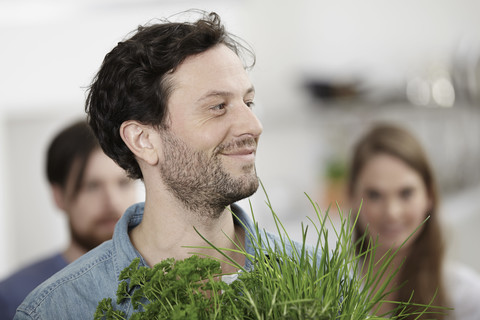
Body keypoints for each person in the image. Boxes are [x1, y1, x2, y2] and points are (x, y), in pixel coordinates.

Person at [13, 11, 306, 319]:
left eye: (248, 103)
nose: (253, 125)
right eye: (217, 107)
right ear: (143, 140)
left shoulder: (317, 277)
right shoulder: (56, 310)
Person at [0, 120, 138, 319]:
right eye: (92, 186)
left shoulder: (162, 280)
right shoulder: (14, 297)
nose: (113, 202)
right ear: (59, 196)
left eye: (123, 183)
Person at [347, 123, 480, 320]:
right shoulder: (329, 290)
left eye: (406, 193)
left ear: (429, 196)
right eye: (374, 195)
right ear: (352, 198)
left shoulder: (464, 297)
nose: (392, 212)